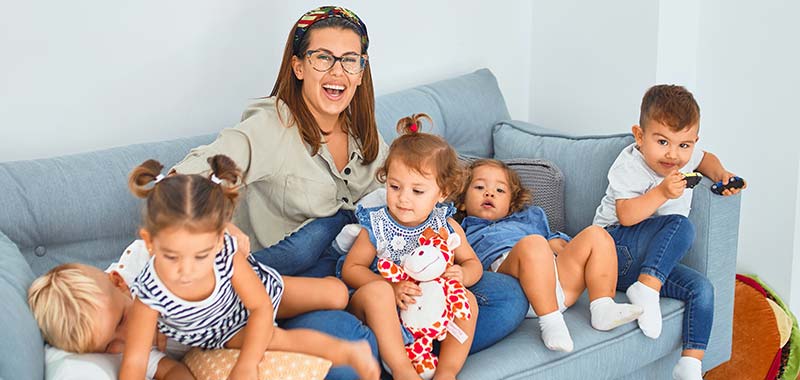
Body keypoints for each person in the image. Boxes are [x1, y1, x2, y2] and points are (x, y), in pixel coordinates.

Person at [170, 6, 528, 376]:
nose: (337, 71)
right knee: (354, 349)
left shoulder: (364, 130)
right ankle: (397, 349)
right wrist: (217, 226)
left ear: (361, 71)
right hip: (299, 284)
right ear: (298, 67)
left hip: (370, 271)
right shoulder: (269, 126)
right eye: (323, 57)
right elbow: (181, 180)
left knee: (507, 297)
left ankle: (407, 345)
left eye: (350, 60)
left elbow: (415, 191)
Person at [119, 155, 379, 380]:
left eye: (200, 256)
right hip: (226, 332)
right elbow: (134, 362)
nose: (186, 271)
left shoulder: (226, 256)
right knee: (278, 341)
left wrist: (247, 364)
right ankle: (348, 351)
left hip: (258, 297)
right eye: (172, 257)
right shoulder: (148, 295)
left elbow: (261, 306)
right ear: (150, 243)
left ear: (220, 240)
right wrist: (250, 358)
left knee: (337, 295)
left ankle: (337, 279)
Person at [592, 84, 746, 380]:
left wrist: (721, 174)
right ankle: (646, 290)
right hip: (612, 254)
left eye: (684, 145)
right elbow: (626, 216)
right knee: (681, 225)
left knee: (702, 289)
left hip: (649, 264)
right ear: (640, 136)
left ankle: (690, 364)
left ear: (693, 141)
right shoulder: (630, 164)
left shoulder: (687, 155)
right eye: (662, 142)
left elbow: (707, 160)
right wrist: (662, 192)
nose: (673, 155)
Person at [341, 114, 480, 380]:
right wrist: (391, 288)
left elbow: (473, 264)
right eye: (394, 186)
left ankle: (447, 371)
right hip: (380, 307)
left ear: (442, 192)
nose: (403, 198)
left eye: (417, 191)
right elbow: (351, 269)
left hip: (425, 308)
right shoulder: (378, 224)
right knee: (378, 292)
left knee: (469, 301)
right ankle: (403, 369)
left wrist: (464, 275)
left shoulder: (445, 226)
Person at [457, 159, 642, 352]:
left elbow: (553, 239)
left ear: (512, 204)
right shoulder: (461, 230)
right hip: (516, 287)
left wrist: (558, 242)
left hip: (558, 284)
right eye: (479, 187)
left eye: (500, 190)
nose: (489, 193)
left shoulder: (530, 217)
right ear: (462, 202)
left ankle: (603, 307)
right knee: (533, 243)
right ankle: (551, 323)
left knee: (597, 234)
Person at [28, 240, 193, 380]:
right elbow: (173, 371)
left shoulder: (143, 262)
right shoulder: (122, 352)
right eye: (109, 345)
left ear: (118, 282)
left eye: (122, 319)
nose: (127, 337)